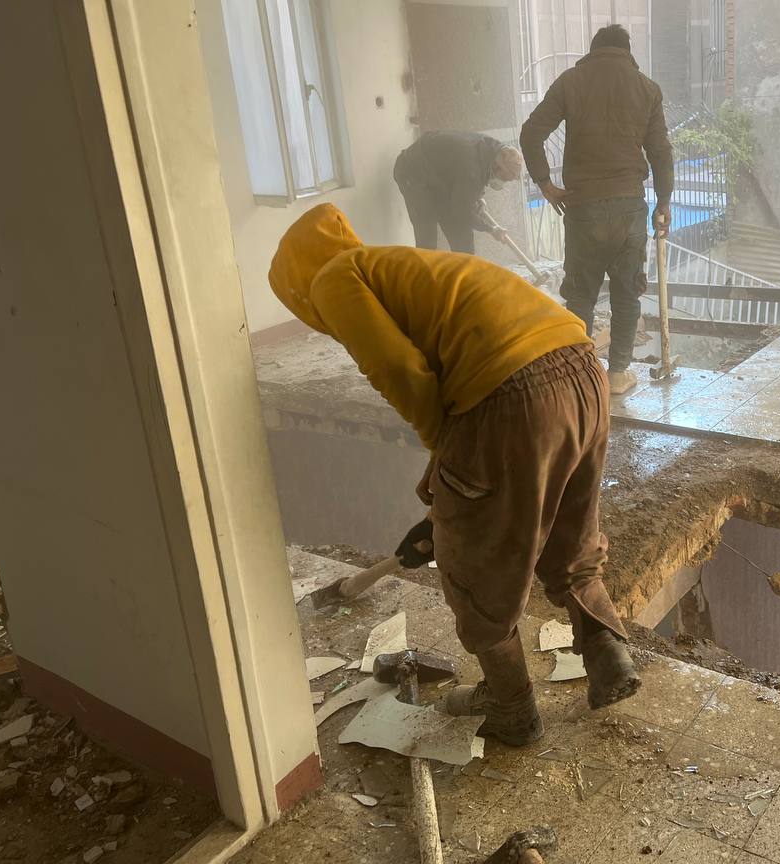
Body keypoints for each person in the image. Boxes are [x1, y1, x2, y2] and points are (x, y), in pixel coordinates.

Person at [268, 203, 640, 746]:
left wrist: (447, 459)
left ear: (295, 286)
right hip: (582, 373)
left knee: (475, 570)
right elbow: (462, 385)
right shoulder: (395, 267)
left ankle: (511, 708)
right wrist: (448, 478)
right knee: (569, 530)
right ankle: (606, 651)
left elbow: (399, 371)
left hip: (513, 394)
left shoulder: (331, 278)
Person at [520, 24, 674, 395]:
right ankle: (617, 374)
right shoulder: (647, 88)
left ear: (593, 50)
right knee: (626, 294)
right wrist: (664, 200)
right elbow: (660, 151)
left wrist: (545, 184)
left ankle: (578, 377)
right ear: (627, 52)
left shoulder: (572, 81)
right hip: (628, 208)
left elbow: (531, 133)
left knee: (580, 296)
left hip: (582, 207)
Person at [393, 131, 525, 255]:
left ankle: (466, 268)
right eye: (504, 178)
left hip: (437, 176)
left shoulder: (493, 149)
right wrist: (491, 229)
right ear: (497, 166)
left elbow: (470, 177)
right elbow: (463, 212)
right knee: (427, 237)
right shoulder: (471, 171)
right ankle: (422, 270)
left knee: (462, 236)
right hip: (412, 171)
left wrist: (477, 197)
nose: (502, 182)